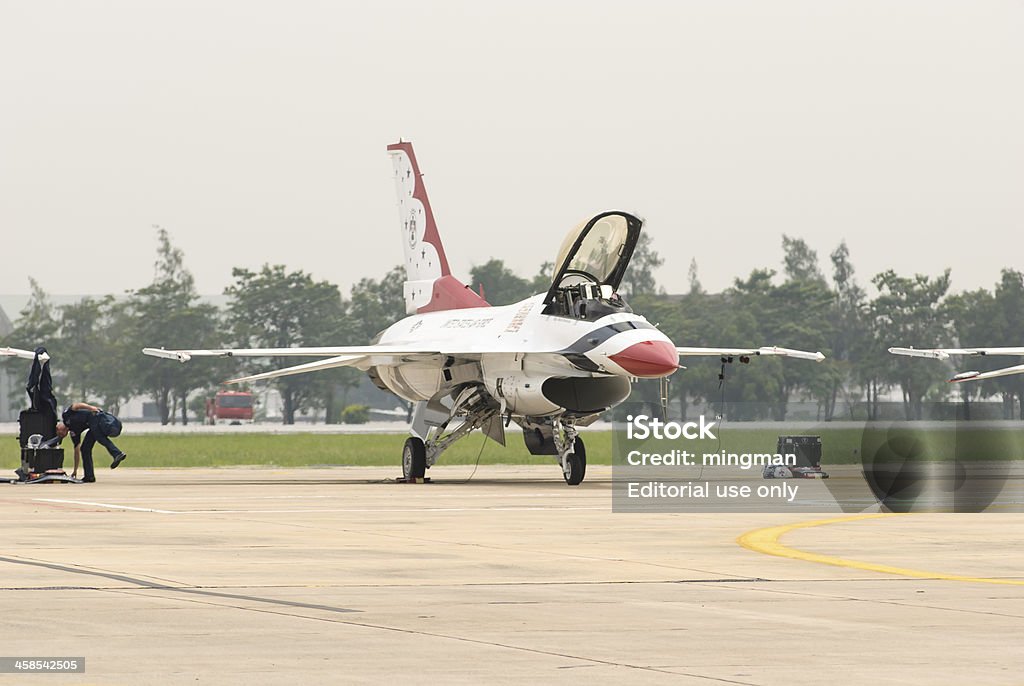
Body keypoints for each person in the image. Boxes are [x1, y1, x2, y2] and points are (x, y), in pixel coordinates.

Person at [55, 402, 127, 483]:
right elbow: (76, 451)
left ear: (57, 427)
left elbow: (76, 405)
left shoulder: (66, 415)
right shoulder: (74, 433)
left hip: (94, 417)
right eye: (61, 435)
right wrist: (75, 470)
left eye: (59, 432)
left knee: (99, 437)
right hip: (92, 426)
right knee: (85, 448)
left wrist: (91, 408)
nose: (61, 433)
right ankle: (89, 476)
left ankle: (117, 453)